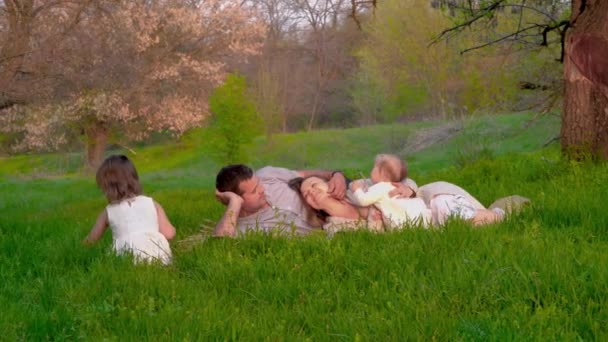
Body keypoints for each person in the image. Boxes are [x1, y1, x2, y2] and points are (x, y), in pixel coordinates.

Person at [292, 175, 508, 230]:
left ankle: (495, 216)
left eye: (313, 185)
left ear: (328, 183)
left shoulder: (358, 187)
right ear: (314, 207)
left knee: (442, 202)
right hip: (414, 228)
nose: (311, 192)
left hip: (423, 206)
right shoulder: (335, 226)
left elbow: (401, 181)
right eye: (307, 195)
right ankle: (497, 217)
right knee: (461, 226)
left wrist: (408, 189)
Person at [83, 155, 176, 265]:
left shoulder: (108, 211)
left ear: (106, 188)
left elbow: (91, 239)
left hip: (126, 259)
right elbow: (169, 234)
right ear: (134, 179)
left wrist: (81, 245)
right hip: (159, 257)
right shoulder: (152, 203)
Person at [213, 164, 348, 237]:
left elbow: (303, 174)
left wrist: (335, 175)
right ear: (238, 200)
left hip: (341, 195)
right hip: (340, 224)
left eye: (258, 183)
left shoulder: (268, 175)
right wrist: (233, 202)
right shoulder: (243, 229)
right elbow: (221, 244)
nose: (261, 189)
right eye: (254, 191)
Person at [348, 154, 431, 229]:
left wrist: (356, 189)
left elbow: (363, 200)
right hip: (421, 216)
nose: (371, 170)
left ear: (382, 174)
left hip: (403, 224)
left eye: (374, 167)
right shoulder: (393, 186)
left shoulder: (380, 188)